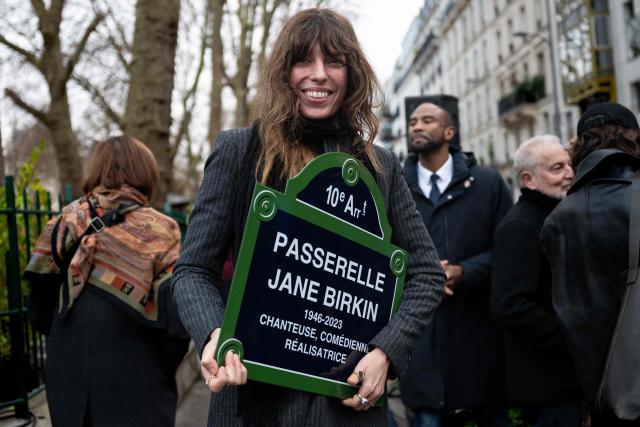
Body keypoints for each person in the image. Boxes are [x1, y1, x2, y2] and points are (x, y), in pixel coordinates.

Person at [171, 8, 445, 427]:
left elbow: (427, 272)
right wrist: (214, 336)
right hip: (251, 405)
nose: (318, 74)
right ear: (284, 71)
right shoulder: (240, 151)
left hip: (347, 406)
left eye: (333, 61)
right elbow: (191, 269)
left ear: (351, 73)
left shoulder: (380, 167)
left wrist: (385, 352)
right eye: (304, 61)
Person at [24, 135, 188, 426]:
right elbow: (176, 322)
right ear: (145, 173)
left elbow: (38, 311)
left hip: (68, 377)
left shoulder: (63, 222)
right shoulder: (163, 230)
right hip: (139, 377)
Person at [399, 99, 513, 427]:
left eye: (427, 120)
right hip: (420, 344)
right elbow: (379, 255)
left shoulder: (488, 184)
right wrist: (421, 274)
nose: (416, 126)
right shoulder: (392, 187)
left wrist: (464, 271)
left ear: (449, 131)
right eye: (412, 122)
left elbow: (509, 253)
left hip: (479, 343)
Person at [541, 102, 640, 425]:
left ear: (579, 148)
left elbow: (575, 314)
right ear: (632, 139)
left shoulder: (557, 220)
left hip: (597, 392)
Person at [491, 135, 583, 426]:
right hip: (547, 387)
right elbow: (510, 305)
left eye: (569, 165)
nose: (569, 173)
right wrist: (570, 336)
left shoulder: (557, 215)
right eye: (557, 168)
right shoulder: (519, 227)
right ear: (529, 180)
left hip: (565, 381)